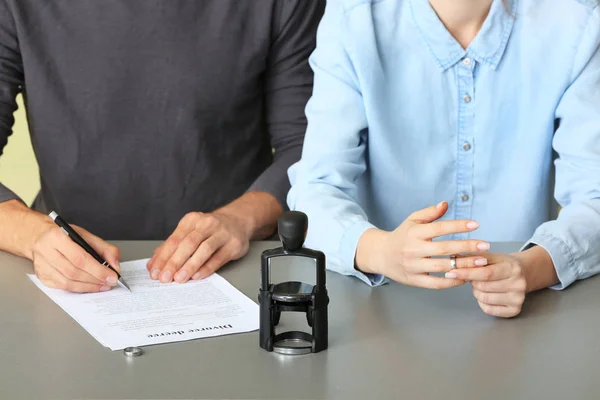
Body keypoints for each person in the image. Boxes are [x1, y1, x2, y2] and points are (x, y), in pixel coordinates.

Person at [288, 0, 600, 318]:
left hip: (528, 314)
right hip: (380, 312)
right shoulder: (353, 21)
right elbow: (315, 189)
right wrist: (380, 251)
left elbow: (595, 197)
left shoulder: (576, 23)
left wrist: (530, 269)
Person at [0, 0, 325, 293]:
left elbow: (306, 147)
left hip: (230, 269)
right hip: (60, 279)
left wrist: (241, 220)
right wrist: (33, 235)